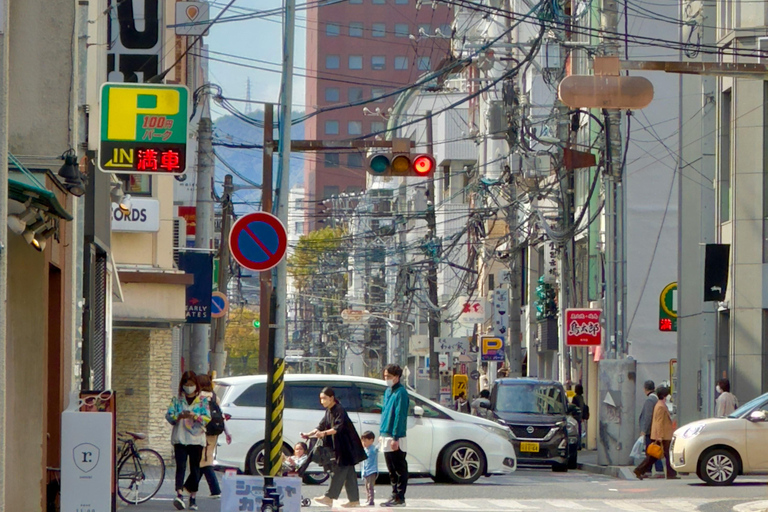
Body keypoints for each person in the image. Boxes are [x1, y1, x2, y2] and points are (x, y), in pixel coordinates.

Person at [302, 387, 366, 508]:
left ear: (331, 398)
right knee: (349, 474)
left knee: (340, 470)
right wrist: (309, 434)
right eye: (321, 399)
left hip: (347, 445)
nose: (322, 401)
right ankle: (354, 500)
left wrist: (324, 433)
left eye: (324, 398)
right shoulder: (329, 410)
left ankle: (329, 497)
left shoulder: (339, 409)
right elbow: (321, 426)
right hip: (340, 446)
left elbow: (338, 427)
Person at [166, 371, 211, 510]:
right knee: (181, 466)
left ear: (196, 385)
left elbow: (207, 418)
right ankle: (179, 494)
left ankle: (193, 497)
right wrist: (178, 417)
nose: (189, 387)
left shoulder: (202, 400)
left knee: (195, 468)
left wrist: (194, 416)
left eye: (191, 385)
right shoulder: (177, 400)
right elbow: (169, 416)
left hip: (196, 439)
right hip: (180, 437)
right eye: (186, 385)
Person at [196, 374, 231, 499]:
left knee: (203, 461)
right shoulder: (215, 397)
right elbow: (221, 415)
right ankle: (190, 487)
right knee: (206, 459)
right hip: (214, 432)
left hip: (200, 431)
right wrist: (227, 432)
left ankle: (214, 489)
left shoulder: (198, 397)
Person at [379, 364, 410, 507]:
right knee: (391, 468)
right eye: (385, 376)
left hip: (395, 435)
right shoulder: (388, 391)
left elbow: (400, 415)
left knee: (399, 467)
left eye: (389, 377)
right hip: (385, 433)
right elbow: (385, 412)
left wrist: (395, 437)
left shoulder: (401, 392)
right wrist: (381, 433)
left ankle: (400, 497)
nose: (386, 379)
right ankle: (394, 494)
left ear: (397, 377)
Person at [634, 386, 678, 480]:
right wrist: (660, 436)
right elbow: (659, 422)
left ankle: (640, 470)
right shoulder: (661, 406)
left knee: (654, 456)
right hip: (663, 436)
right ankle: (671, 474)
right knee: (665, 455)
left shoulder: (660, 405)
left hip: (662, 435)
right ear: (665, 396)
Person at [638, 380, 664, 477]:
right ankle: (651, 470)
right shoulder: (656, 398)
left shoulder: (650, 400)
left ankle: (656, 470)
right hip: (654, 429)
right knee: (652, 451)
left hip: (650, 430)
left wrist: (644, 430)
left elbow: (648, 416)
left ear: (645, 389)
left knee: (651, 451)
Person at [361, 431, 379, 507]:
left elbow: (378, 448)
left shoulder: (373, 448)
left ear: (371, 440)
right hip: (366, 471)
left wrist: (380, 441)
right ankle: (368, 499)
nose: (364, 443)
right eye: (363, 441)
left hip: (372, 470)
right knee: (366, 486)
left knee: (370, 486)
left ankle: (371, 500)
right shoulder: (365, 449)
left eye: (365, 441)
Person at [570, 384, 586, 450]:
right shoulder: (581, 398)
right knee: (579, 430)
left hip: (575, 416)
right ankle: (579, 444)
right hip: (580, 416)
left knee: (575, 431)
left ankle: (577, 445)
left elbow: (573, 407)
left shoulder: (575, 397)